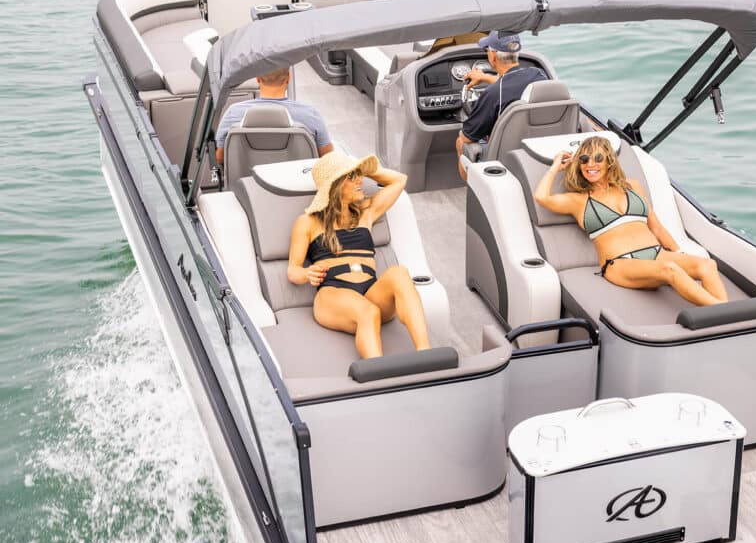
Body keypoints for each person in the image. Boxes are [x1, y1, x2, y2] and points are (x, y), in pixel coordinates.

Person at [533, 136, 729, 307]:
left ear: (609, 161)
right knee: (671, 269)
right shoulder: (579, 200)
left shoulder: (632, 186)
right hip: (620, 264)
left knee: (707, 265)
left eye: (598, 158)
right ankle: (723, 311)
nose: (590, 164)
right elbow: (541, 197)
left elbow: (656, 227)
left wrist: (678, 253)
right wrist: (555, 166)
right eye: (584, 159)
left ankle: (725, 316)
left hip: (657, 255)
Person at [287, 151, 431, 359]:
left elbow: (400, 180)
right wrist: (307, 274)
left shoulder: (366, 212)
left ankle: (425, 354)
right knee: (368, 312)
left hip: (370, 291)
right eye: (351, 176)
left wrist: (365, 169)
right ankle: (379, 375)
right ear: (334, 186)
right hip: (333, 293)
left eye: (359, 174)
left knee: (399, 274)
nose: (360, 180)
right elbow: (293, 270)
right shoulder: (308, 222)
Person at [455, 30, 548, 179]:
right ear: (517, 52)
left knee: (461, 141)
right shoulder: (538, 75)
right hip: (538, 151)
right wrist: (486, 77)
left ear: (492, 56)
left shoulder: (492, 94)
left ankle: (476, 192)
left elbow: (468, 137)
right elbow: (513, 84)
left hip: (504, 160)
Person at [215, 66, 334, 165]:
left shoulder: (233, 113)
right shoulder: (311, 115)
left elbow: (220, 158)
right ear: (288, 78)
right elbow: (328, 159)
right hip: (298, 190)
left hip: (247, 189)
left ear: (258, 78)